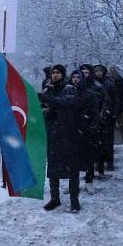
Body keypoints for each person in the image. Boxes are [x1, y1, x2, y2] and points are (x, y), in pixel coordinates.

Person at [39, 65, 82, 213]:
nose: (55, 75)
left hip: (68, 135)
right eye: (53, 73)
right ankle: (54, 198)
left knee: (72, 170)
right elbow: (43, 109)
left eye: (58, 73)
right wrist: (47, 110)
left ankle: (74, 201)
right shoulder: (48, 90)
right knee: (53, 169)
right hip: (53, 134)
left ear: (63, 75)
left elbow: (66, 104)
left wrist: (49, 100)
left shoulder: (70, 88)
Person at [69, 70, 99, 195]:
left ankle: (89, 180)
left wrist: (91, 127)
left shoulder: (89, 94)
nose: (75, 79)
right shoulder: (67, 92)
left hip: (86, 130)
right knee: (71, 158)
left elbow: (95, 113)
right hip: (70, 130)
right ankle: (72, 182)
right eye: (73, 77)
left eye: (78, 77)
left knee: (88, 156)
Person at [80, 63, 112, 178]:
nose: (85, 75)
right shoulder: (79, 86)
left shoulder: (98, 86)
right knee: (86, 149)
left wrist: (101, 116)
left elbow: (106, 102)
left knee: (99, 147)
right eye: (82, 73)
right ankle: (89, 172)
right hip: (84, 122)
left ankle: (101, 170)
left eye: (87, 72)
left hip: (97, 121)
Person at [93, 64, 118, 171]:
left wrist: (113, 114)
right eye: (96, 71)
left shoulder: (110, 84)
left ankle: (109, 161)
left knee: (108, 141)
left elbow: (115, 100)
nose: (98, 73)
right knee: (97, 141)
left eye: (100, 71)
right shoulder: (93, 84)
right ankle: (99, 161)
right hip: (96, 116)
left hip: (108, 117)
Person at [109, 66, 123, 145]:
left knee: (121, 125)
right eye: (111, 71)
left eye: (114, 71)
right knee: (109, 125)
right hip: (110, 107)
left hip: (120, 106)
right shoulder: (108, 80)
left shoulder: (121, 80)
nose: (113, 72)